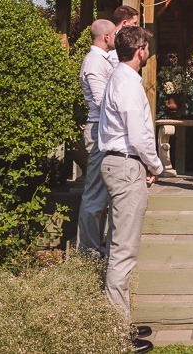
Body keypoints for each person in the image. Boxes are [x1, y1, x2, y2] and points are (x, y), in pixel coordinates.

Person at [98, 26, 162, 354]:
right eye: (147, 48)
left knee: (120, 247)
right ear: (140, 51)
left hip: (120, 164)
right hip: (126, 164)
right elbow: (138, 135)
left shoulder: (121, 79)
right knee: (123, 252)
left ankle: (122, 321)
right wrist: (156, 166)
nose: (148, 52)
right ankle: (116, 334)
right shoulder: (127, 84)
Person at [76, 19, 115, 256]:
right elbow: (102, 101)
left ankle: (95, 244)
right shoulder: (93, 62)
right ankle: (88, 247)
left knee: (102, 190)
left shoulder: (101, 60)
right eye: (113, 35)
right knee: (95, 191)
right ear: (106, 37)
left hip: (104, 130)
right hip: (98, 129)